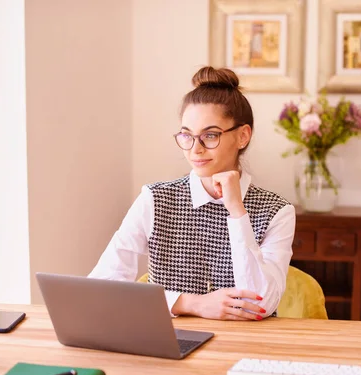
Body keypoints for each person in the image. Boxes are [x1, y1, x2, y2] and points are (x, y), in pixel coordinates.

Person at [88, 66, 296, 321]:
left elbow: (260, 304)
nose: (195, 149)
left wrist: (237, 212)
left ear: (242, 136)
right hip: (168, 346)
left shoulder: (277, 211)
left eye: (210, 135)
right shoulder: (155, 199)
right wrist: (190, 303)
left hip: (245, 348)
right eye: (187, 136)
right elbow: (101, 286)